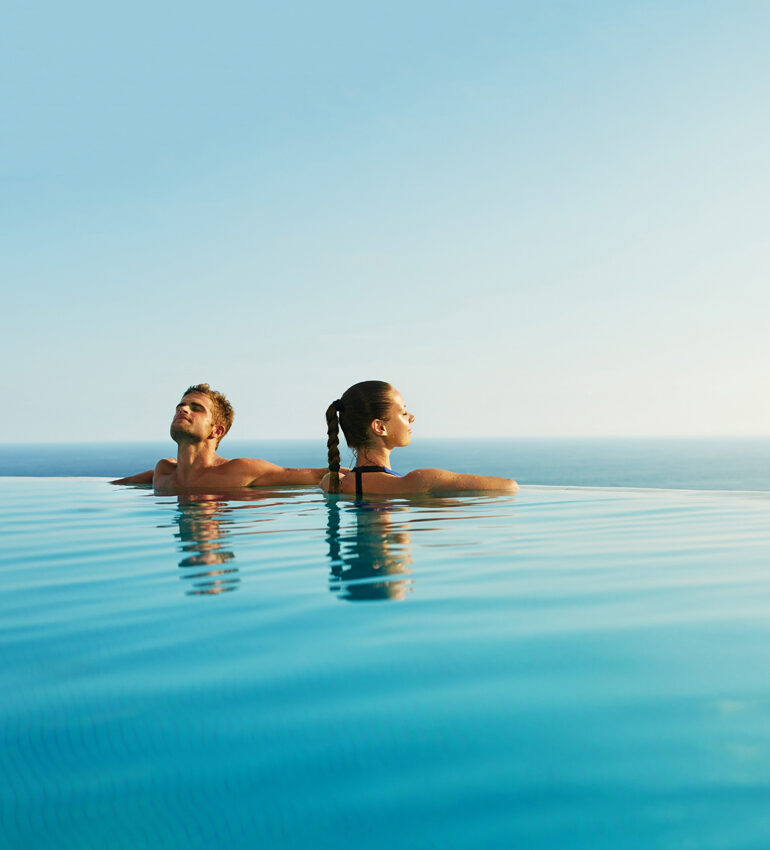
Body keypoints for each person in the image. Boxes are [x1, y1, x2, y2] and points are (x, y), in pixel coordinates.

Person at [112, 383, 333, 492]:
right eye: (181, 406)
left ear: (216, 431)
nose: (183, 409)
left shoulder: (240, 471)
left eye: (196, 408)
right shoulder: (163, 471)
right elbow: (128, 482)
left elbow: (314, 476)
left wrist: (363, 477)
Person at [323, 380, 518, 496]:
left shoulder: (332, 483)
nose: (412, 417)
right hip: (385, 562)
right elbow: (510, 487)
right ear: (380, 427)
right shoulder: (419, 482)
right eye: (403, 412)